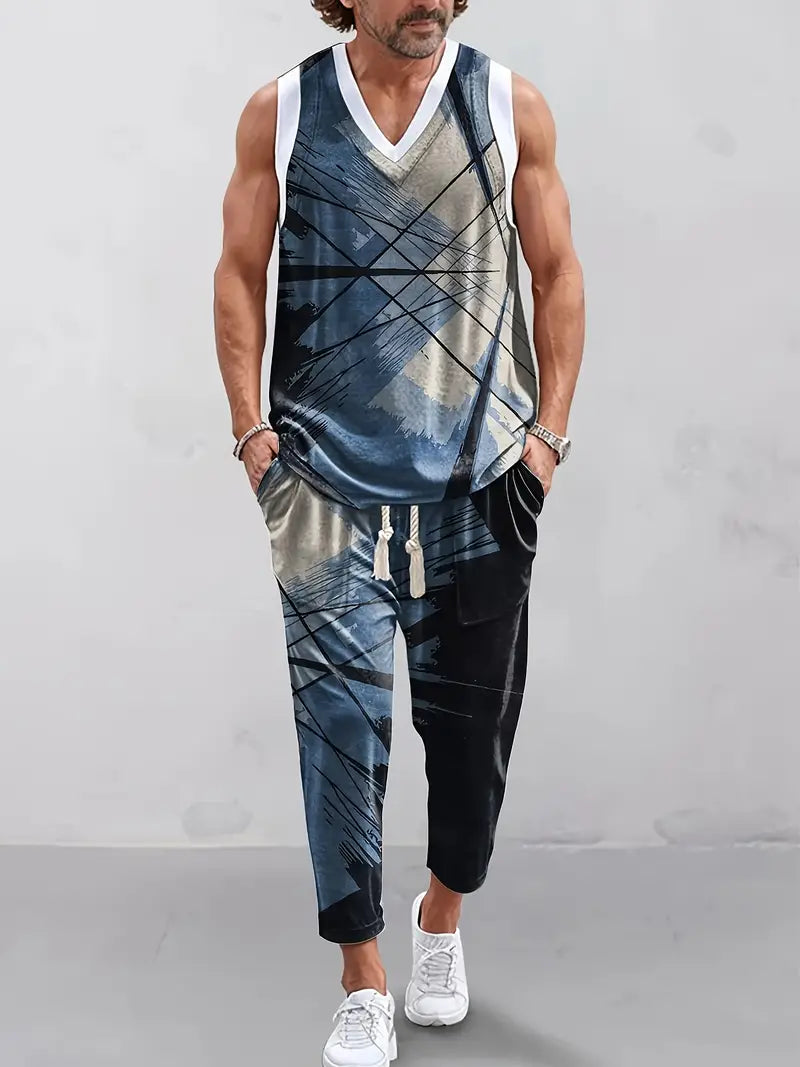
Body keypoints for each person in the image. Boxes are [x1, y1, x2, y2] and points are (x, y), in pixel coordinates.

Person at [213, 0, 584, 1062]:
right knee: (339, 736)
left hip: (480, 486)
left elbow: (557, 272)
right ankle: (362, 977)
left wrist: (545, 442)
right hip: (323, 491)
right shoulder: (284, 111)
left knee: (471, 745)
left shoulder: (506, 105)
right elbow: (238, 270)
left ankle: (440, 918)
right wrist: (252, 434)